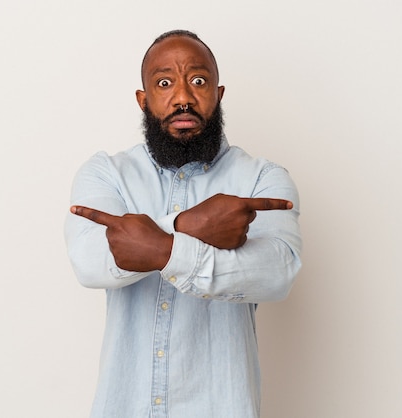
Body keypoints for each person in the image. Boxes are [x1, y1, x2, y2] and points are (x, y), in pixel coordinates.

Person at [64, 29, 302, 418]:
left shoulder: (262, 179)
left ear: (218, 94)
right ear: (144, 101)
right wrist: (190, 224)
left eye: (198, 80)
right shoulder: (106, 173)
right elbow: (90, 263)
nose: (183, 97)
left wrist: (154, 244)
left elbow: (278, 273)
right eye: (164, 83)